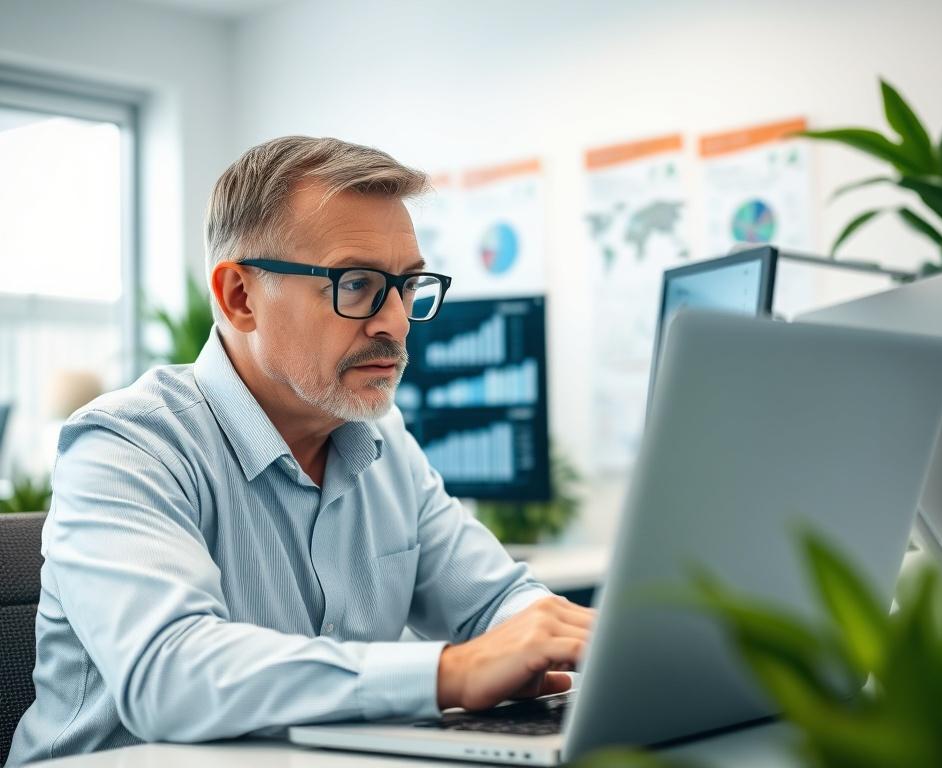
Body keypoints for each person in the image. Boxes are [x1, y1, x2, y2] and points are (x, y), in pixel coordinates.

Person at [6, 136, 593, 766]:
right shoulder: (128, 446)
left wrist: (574, 638)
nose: (393, 320)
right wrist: (449, 672)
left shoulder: (382, 442)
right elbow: (167, 675)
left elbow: (491, 600)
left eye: (407, 285)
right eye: (358, 283)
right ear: (240, 297)